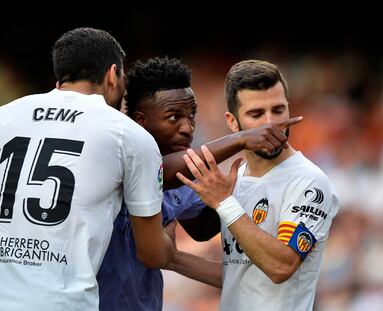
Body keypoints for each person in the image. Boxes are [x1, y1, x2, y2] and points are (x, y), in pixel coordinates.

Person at [97, 56, 302, 311]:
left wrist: (232, 195)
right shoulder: (115, 157)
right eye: (174, 117)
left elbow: (202, 229)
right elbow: (156, 171)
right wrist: (241, 139)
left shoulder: (183, 176)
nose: (188, 128)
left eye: (192, 114)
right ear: (141, 120)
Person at [0, 28, 174, 311]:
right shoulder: (128, 134)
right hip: (59, 302)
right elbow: (153, 254)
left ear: (60, 77)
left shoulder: (5, 115)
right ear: (112, 75)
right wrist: (170, 236)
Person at [175, 59, 340, 311]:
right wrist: (172, 259)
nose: (270, 123)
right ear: (232, 122)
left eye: (278, 110)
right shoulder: (236, 177)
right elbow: (239, 274)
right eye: (256, 114)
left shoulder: (309, 181)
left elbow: (280, 266)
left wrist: (224, 203)